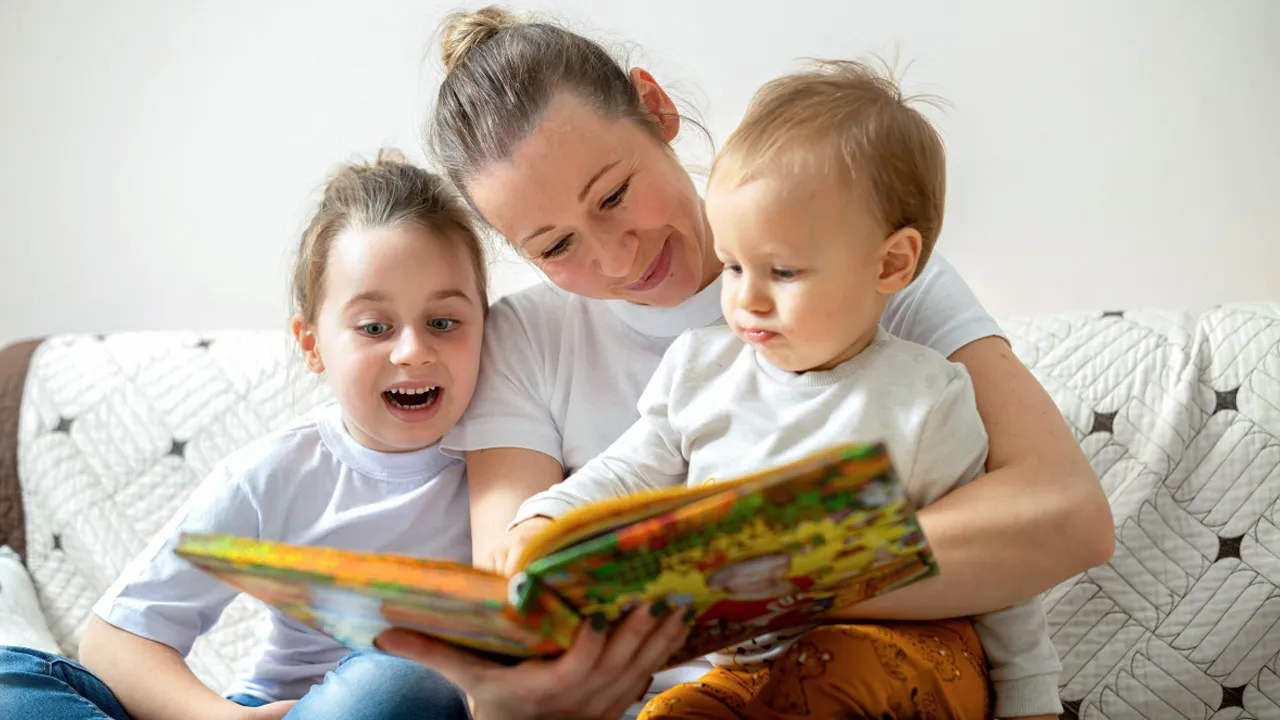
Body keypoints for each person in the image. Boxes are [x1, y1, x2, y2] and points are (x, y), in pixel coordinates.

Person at [376, 6, 1114, 720]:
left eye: (615, 195)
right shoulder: (533, 344)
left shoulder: (859, 263)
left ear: (656, 108)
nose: (616, 256)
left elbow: (1066, 520)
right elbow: (502, 663)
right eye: (555, 247)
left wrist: (751, 581)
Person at [0, 151, 483, 720]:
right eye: (374, 327)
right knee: (12, 686)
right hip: (266, 711)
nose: (412, 351)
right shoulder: (276, 473)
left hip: (393, 707)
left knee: (398, 685)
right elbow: (115, 641)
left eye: (443, 323)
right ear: (312, 345)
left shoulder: (512, 456)